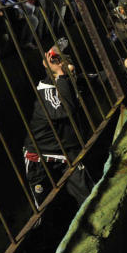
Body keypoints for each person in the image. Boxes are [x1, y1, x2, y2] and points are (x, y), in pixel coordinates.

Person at [23, 43, 94, 206]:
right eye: (67, 68)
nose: (73, 72)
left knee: (87, 194)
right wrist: (61, 75)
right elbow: (65, 110)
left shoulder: (67, 81)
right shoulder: (47, 91)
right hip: (41, 156)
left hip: (66, 151)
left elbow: (92, 79)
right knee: (43, 206)